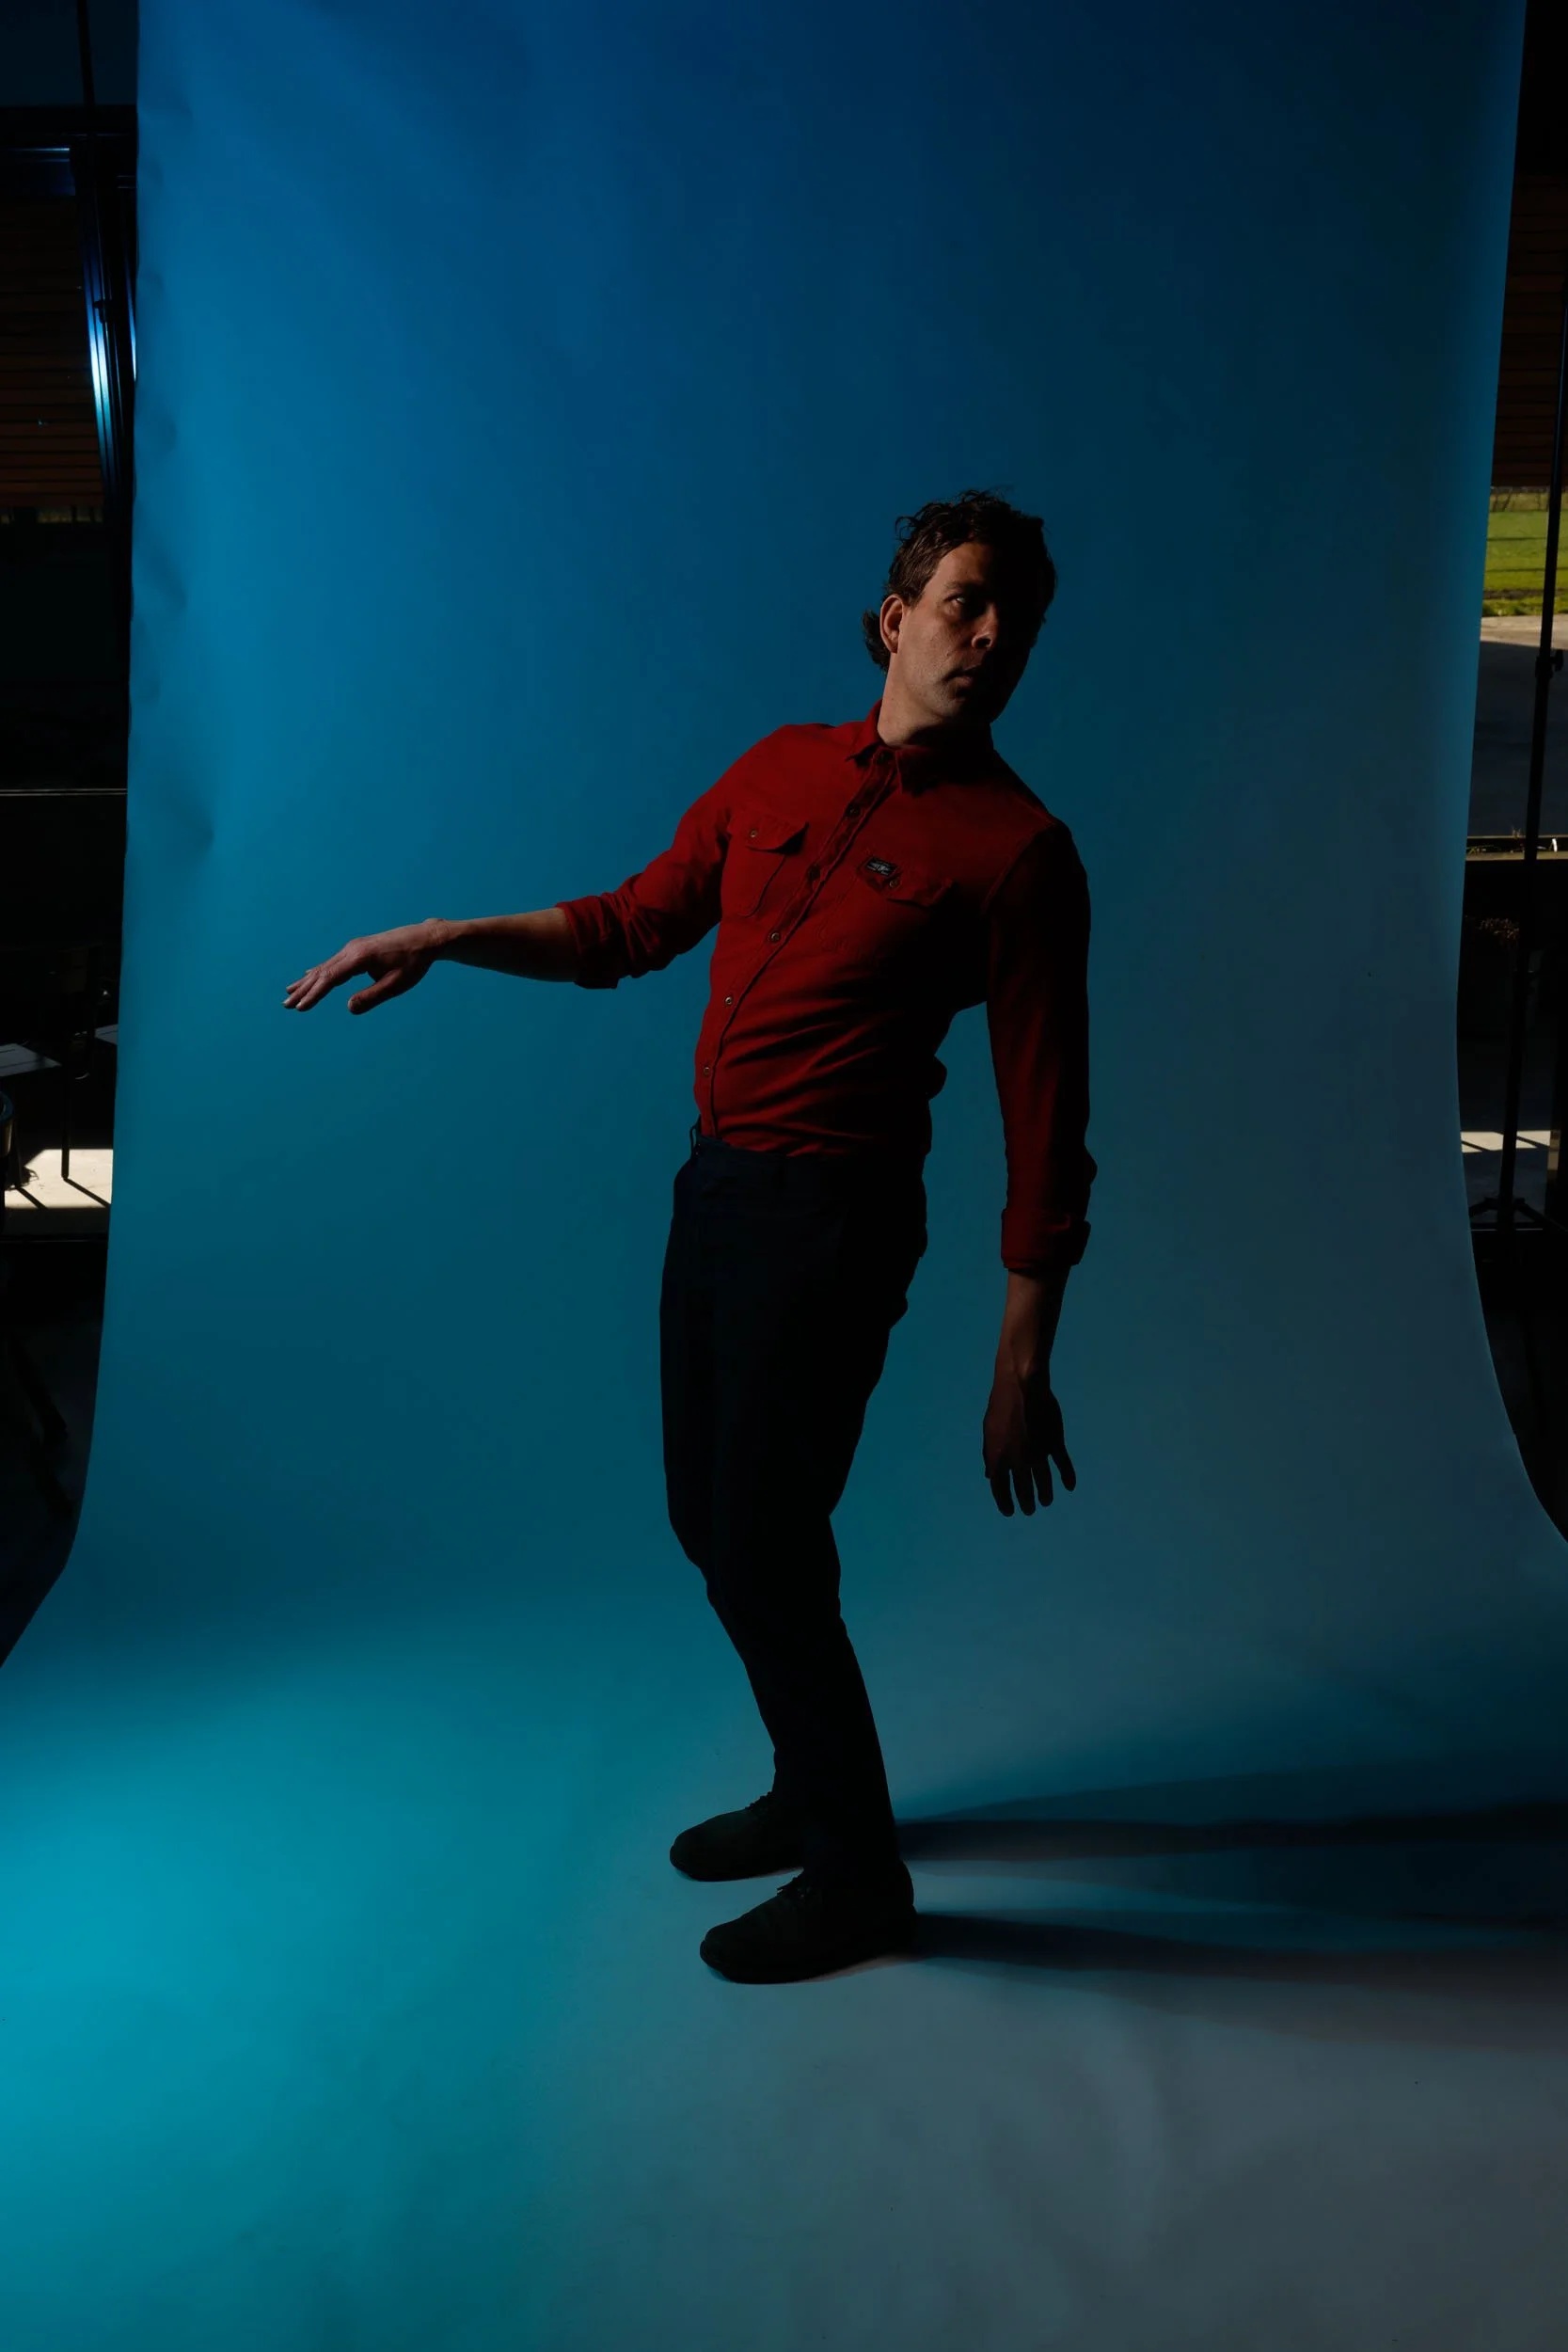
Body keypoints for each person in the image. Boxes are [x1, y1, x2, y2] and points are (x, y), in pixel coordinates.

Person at [283, 487, 1096, 1986]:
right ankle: (808, 1786)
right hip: (714, 1192)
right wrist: (445, 937)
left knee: (765, 1543)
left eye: (1016, 618)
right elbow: (628, 928)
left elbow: (1046, 1121)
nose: (991, 636)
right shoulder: (777, 768)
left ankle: (859, 1875)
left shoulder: (1018, 851)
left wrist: (1020, 1356)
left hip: (834, 1221)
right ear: (894, 620)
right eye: (965, 602)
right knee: (707, 1524)